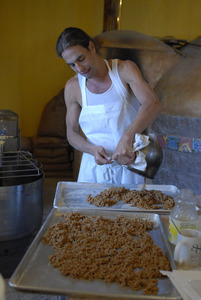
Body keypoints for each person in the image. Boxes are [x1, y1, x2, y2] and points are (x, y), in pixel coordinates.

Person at [56, 27, 161, 184]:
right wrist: (91, 150)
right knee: (90, 208)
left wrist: (126, 138)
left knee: (133, 207)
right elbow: (72, 133)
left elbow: (152, 103)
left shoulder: (124, 70)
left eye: (81, 59)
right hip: (93, 169)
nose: (80, 68)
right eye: (72, 65)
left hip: (130, 166)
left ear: (91, 47)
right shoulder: (73, 87)